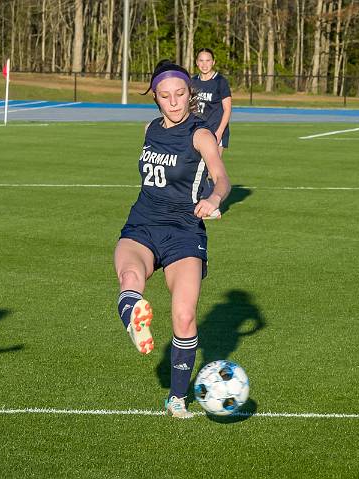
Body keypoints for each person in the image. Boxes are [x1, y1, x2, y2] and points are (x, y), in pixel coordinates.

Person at [114, 60, 231, 419]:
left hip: (184, 231)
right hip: (143, 224)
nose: (174, 102)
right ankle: (135, 317)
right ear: (156, 98)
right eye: (165, 96)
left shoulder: (200, 133)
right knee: (131, 280)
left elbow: (222, 177)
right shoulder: (149, 129)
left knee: (183, 316)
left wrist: (213, 199)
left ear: (189, 94)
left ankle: (177, 399)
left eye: (180, 94)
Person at [191, 48, 232, 157]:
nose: (204, 64)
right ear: (196, 62)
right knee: (195, 171)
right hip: (197, 131)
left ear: (213, 62)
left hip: (215, 131)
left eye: (208, 60)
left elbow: (227, 109)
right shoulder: (193, 81)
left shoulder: (220, 81)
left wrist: (219, 133)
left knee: (212, 171)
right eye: (201, 60)